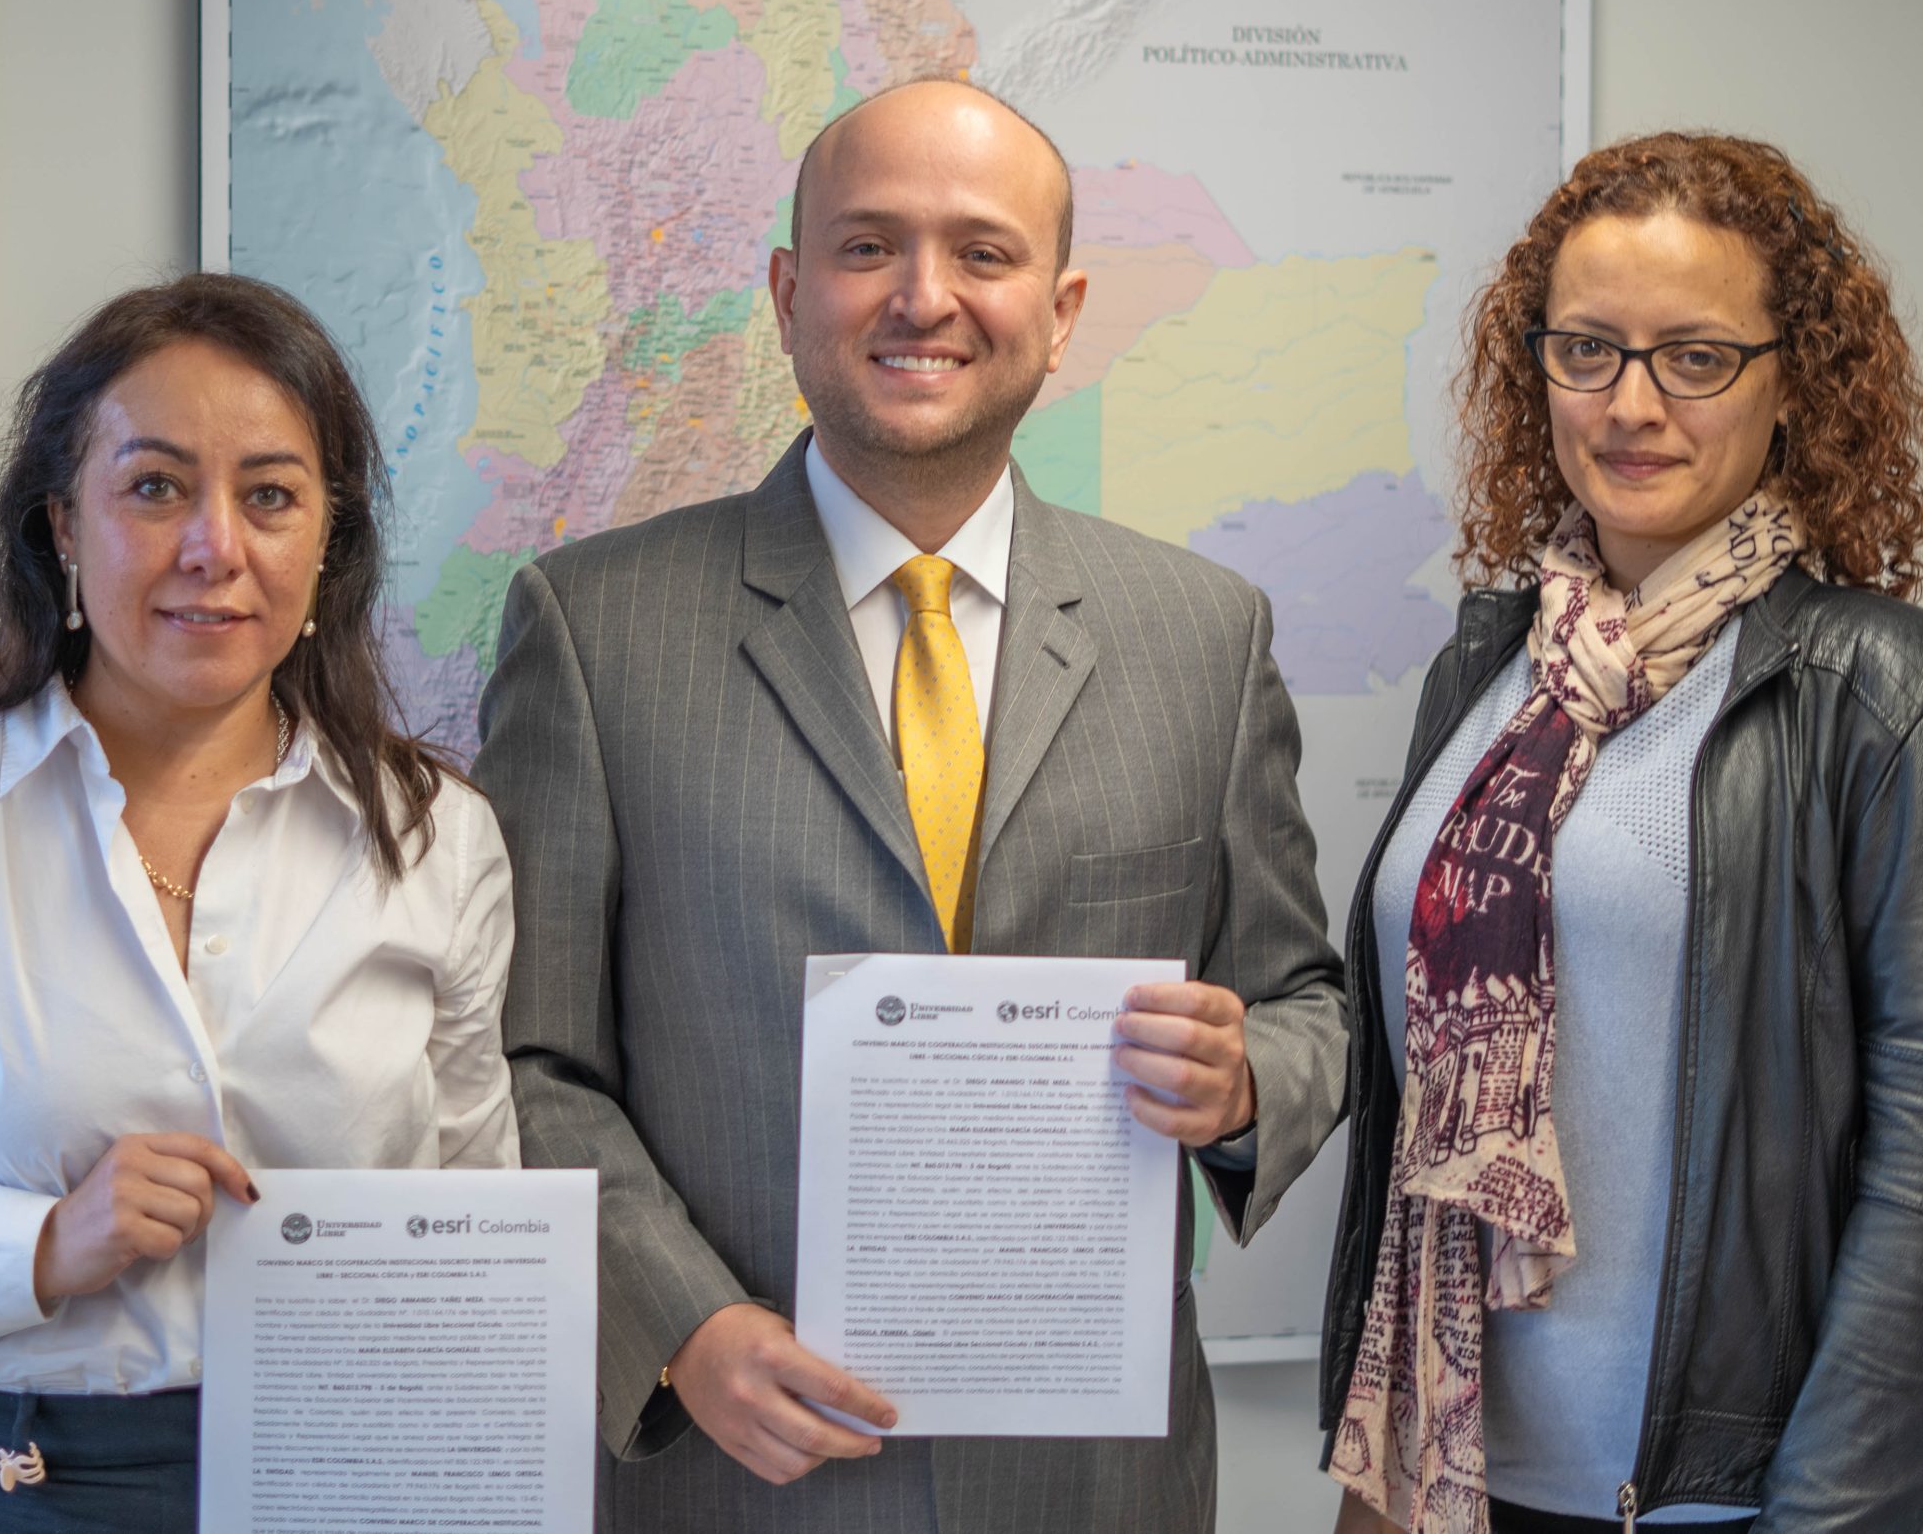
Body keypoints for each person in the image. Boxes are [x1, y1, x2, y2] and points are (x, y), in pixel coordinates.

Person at [475, 77, 1346, 1532]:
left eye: (984, 253)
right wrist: (681, 1323)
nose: (923, 296)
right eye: (868, 245)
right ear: (786, 289)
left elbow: (1307, 997)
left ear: (1062, 311)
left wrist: (1249, 1073)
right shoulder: (593, 626)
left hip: (1095, 1487)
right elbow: (524, 1054)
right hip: (742, 1479)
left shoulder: (1206, 631)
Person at [0, 274, 519, 1532]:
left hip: (354, 1479)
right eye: (155, 486)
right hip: (9, 1484)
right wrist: (33, 1248)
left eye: (272, 497)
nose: (215, 548)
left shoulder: (437, 839)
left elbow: (476, 1226)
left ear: (327, 543)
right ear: (63, 526)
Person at [1319, 133, 1923, 1534]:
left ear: (1790, 383)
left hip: (1723, 1502)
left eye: (1694, 355)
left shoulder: (1898, 693)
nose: (1631, 404)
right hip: (1448, 1477)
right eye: (1589, 349)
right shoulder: (1492, 671)